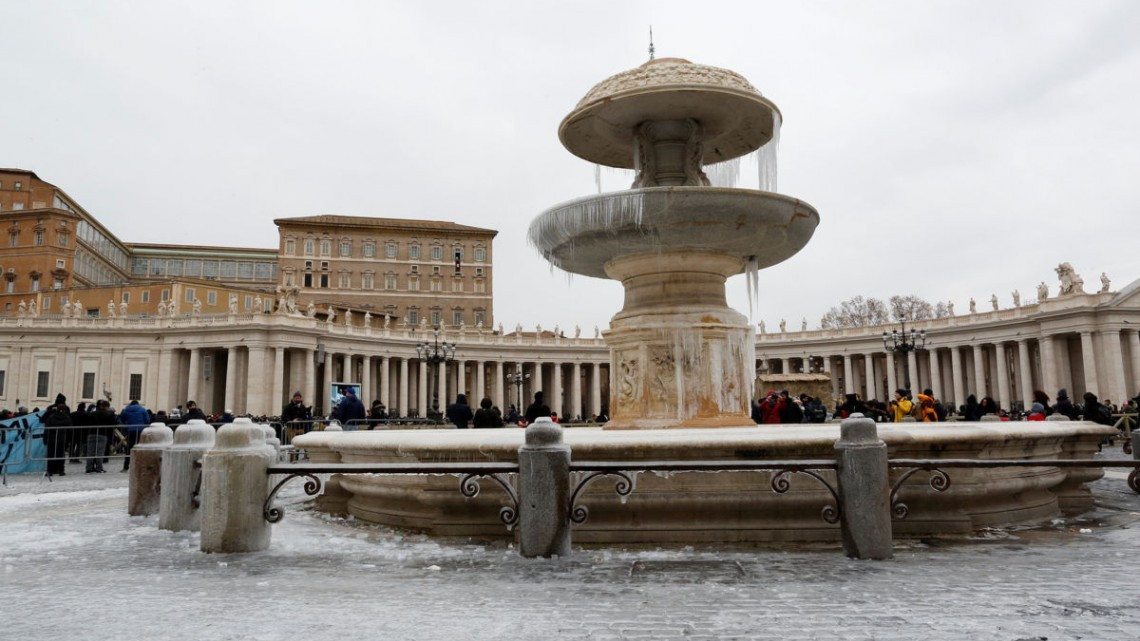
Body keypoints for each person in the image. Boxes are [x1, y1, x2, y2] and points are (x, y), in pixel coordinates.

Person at [42, 393, 73, 477]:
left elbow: (46, 426)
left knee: (51, 454)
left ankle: (50, 471)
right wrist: (69, 440)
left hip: (52, 438)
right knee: (60, 454)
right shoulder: (66, 417)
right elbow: (70, 428)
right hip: (62, 437)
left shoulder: (51, 415)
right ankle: (61, 470)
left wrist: (45, 439)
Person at [119, 399, 149, 471]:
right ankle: (141, 465)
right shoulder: (142, 409)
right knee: (141, 448)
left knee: (129, 448)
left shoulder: (126, 410)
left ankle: (126, 466)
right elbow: (147, 419)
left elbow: (122, 419)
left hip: (130, 430)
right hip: (140, 430)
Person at [88, 399, 118, 473]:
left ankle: (89, 468)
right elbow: (112, 424)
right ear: (106, 406)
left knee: (90, 452)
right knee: (100, 452)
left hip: (91, 433)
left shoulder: (92, 413)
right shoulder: (107, 414)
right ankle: (99, 468)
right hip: (102, 434)